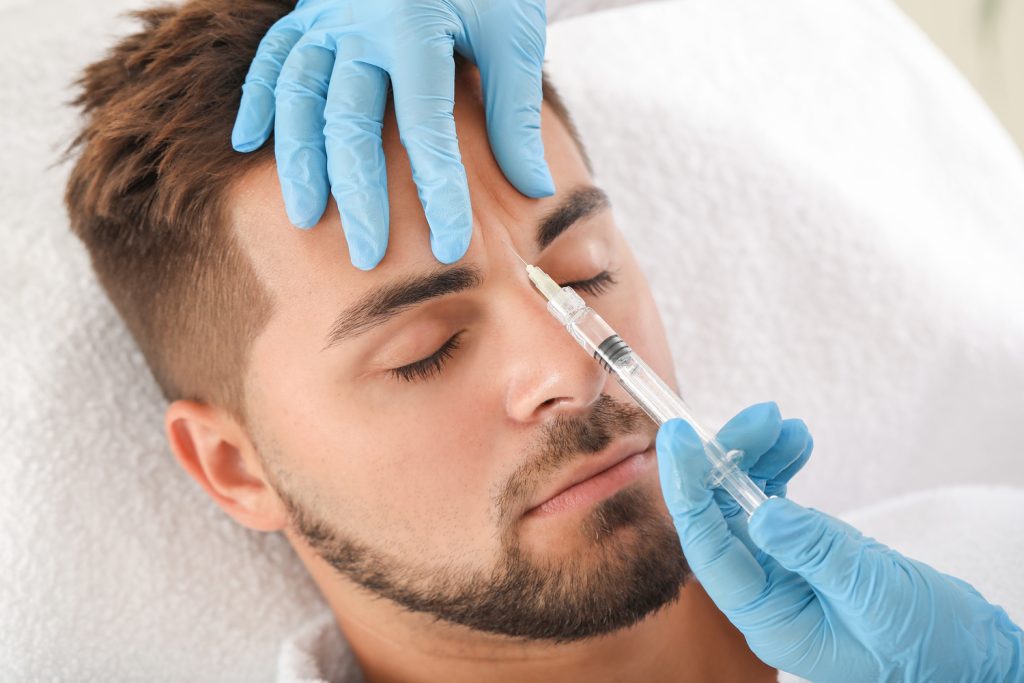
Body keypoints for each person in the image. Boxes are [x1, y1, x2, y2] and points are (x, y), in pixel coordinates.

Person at [62, 2, 1020, 682]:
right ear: (234, 467)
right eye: (426, 349)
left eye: (585, 273)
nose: (573, 368)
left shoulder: (983, 589)